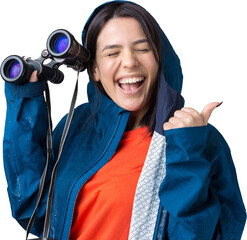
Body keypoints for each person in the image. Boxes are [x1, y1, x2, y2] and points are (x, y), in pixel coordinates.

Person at [2, 1, 246, 239]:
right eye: (112, 52)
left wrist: (188, 153)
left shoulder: (197, 139)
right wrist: (25, 101)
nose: (129, 62)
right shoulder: (77, 126)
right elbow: (34, 212)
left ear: (160, 59)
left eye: (142, 49)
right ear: (94, 70)